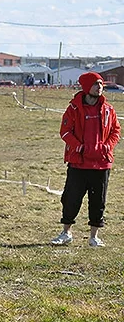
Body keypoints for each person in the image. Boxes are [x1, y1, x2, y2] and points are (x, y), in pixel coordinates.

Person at [51, 72, 121, 247]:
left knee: (98, 201)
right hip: (78, 163)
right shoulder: (73, 109)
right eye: (96, 84)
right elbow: (65, 132)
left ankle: (94, 237)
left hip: (101, 163)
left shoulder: (108, 109)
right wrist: (79, 146)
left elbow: (115, 131)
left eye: (101, 84)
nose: (100, 87)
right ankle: (66, 233)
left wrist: (107, 147)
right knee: (71, 198)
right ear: (86, 87)